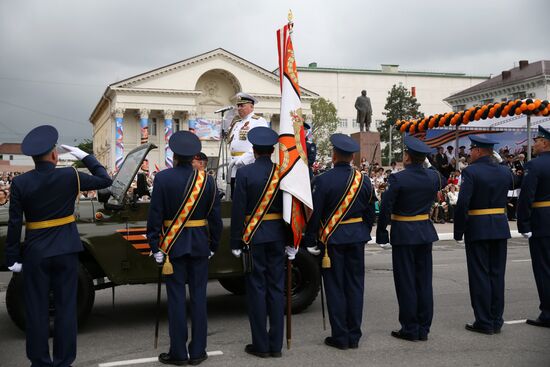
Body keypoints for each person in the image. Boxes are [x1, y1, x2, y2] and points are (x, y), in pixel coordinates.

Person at [5, 125, 112, 367]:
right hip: (65, 251)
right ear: (54, 155)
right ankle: (64, 361)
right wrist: (85, 156)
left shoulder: (20, 183)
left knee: (36, 310)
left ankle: (40, 362)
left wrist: (12, 256)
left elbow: (14, 223)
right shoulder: (69, 176)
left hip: (36, 253)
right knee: (65, 310)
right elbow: (106, 180)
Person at [147, 131, 222, 366]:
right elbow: (215, 218)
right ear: (194, 157)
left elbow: (155, 216)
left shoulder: (163, 179)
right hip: (199, 245)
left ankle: (178, 353)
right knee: (199, 298)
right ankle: (198, 351)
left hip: (173, 246)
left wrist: (155, 245)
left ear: (174, 154)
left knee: (177, 300)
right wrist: (214, 245)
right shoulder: (207, 180)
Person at [305, 133, 375, 350]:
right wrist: (362, 231)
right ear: (352, 157)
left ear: (334, 156)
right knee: (355, 286)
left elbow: (315, 215)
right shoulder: (363, 180)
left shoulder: (322, 180)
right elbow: (371, 213)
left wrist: (311, 239)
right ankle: (354, 335)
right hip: (356, 238)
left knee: (335, 288)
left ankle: (340, 336)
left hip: (332, 240)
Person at [230, 127, 292, 358]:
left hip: (254, 236)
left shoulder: (245, 174)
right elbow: (290, 208)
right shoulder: (283, 172)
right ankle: (275, 345)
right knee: (276, 289)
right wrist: (292, 239)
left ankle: (260, 345)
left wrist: (236, 241)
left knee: (256, 290)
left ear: (254, 150)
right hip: (277, 236)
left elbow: (238, 211)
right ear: (272, 150)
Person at [376, 136, 442, 342]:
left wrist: (381, 232)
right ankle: (424, 327)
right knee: (424, 282)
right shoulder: (433, 177)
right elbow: (438, 185)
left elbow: (386, 206)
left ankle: (410, 328)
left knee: (406, 282)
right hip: (424, 231)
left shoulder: (398, 178)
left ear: (407, 157)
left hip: (404, 232)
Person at [454, 135, 515, 335]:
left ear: (478, 151)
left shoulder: (471, 172)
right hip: (499, 226)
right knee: (497, 275)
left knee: (480, 275)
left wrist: (459, 231)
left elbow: (463, 203)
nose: (470, 153)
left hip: (478, 228)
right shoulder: (505, 171)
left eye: (472, 150)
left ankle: (484, 321)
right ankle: (497, 319)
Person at [517, 125, 550, 328]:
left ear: (545, 143)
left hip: (542, 222)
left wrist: (524, 224)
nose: (534, 143)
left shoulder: (534, 165)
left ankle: (547, 313)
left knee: (544, 268)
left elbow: (526, 197)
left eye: (537, 140)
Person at [227, 92, 269, 197]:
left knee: (247, 197)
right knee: (235, 198)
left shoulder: (258, 121)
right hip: (233, 167)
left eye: (242, 106)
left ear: (251, 106)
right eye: (238, 106)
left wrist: (243, 160)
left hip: (248, 165)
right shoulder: (237, 123)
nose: (239, 108)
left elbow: (260, 143)